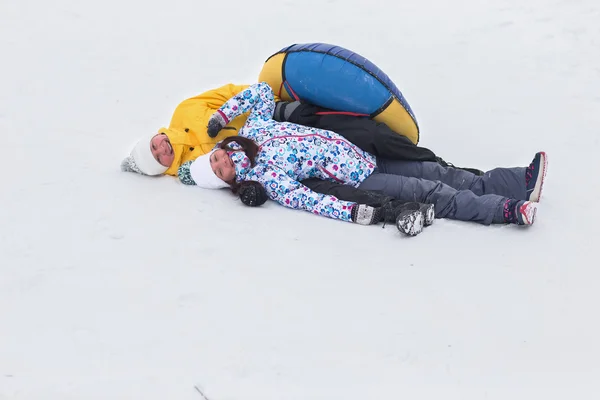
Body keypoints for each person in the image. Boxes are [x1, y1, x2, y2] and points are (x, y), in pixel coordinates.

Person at [176, 82, 547, 230]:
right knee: (431, 192)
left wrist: (222, 116)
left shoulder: (253, 129)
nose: (223, 162)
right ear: (227, 180)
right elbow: (310, 200)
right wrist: (352, 211)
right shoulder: (265, 178)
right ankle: (505, 210)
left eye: (215, 159)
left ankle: (520, 182)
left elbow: (258, 92)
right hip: (361, 179)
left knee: (439, 171)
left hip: (364, 154)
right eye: (221, 171)